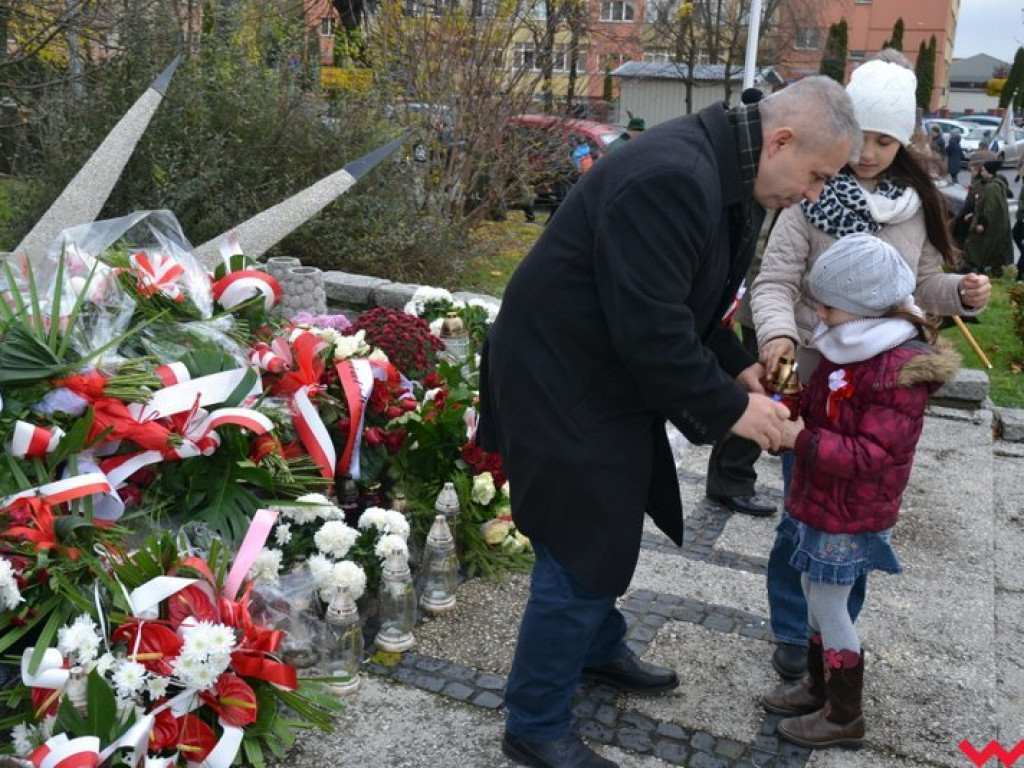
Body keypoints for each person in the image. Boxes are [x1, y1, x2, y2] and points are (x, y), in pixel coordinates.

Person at [476, 75, 861, 768]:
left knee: (612, 515)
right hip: (559, 374)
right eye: (816, 175)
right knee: (579, 539)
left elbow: (689, 300)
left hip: (600, 368)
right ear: (780, 140)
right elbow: (652, 331)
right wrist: (734, 410)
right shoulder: (676, 177)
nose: (812, 194)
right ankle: (533, 721)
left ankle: (595, 648)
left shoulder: (728, 172)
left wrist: (738, 366)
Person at [751, 54, 991, 683]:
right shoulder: (810, 191)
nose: (871, 153)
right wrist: (778, 336)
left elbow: (920, 287)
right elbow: (774, 282)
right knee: (800, 510)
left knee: (852, 520)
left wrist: (958, 294)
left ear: (904, 140)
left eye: (887, 141)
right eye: (863, 138)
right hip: (810, 380)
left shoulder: (914, 205)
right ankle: (789, 627)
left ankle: (832, 631)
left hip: (879, 386)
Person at [760, 233, 960, 749]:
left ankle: (843, 714)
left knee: (829, 603)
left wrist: (799, 439)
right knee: (811, 593)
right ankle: (817, 685)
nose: (819, 315)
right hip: (823, 498)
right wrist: (788, 401)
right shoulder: (849, 347)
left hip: (852, 510)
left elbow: (872, 456)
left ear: (864, 307)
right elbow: (827, 411)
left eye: (827, 305)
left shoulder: (896, 369)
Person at [961, 150, 1013, 276]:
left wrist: (981, 223)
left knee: (978, 245)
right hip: (989, 224)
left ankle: (973, 267)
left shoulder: (992, 187)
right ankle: (985, 268)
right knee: (988, 248)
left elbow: (991, 208)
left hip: (988, 225)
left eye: (982, 170)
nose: (980, 172)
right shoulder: (991, 184)